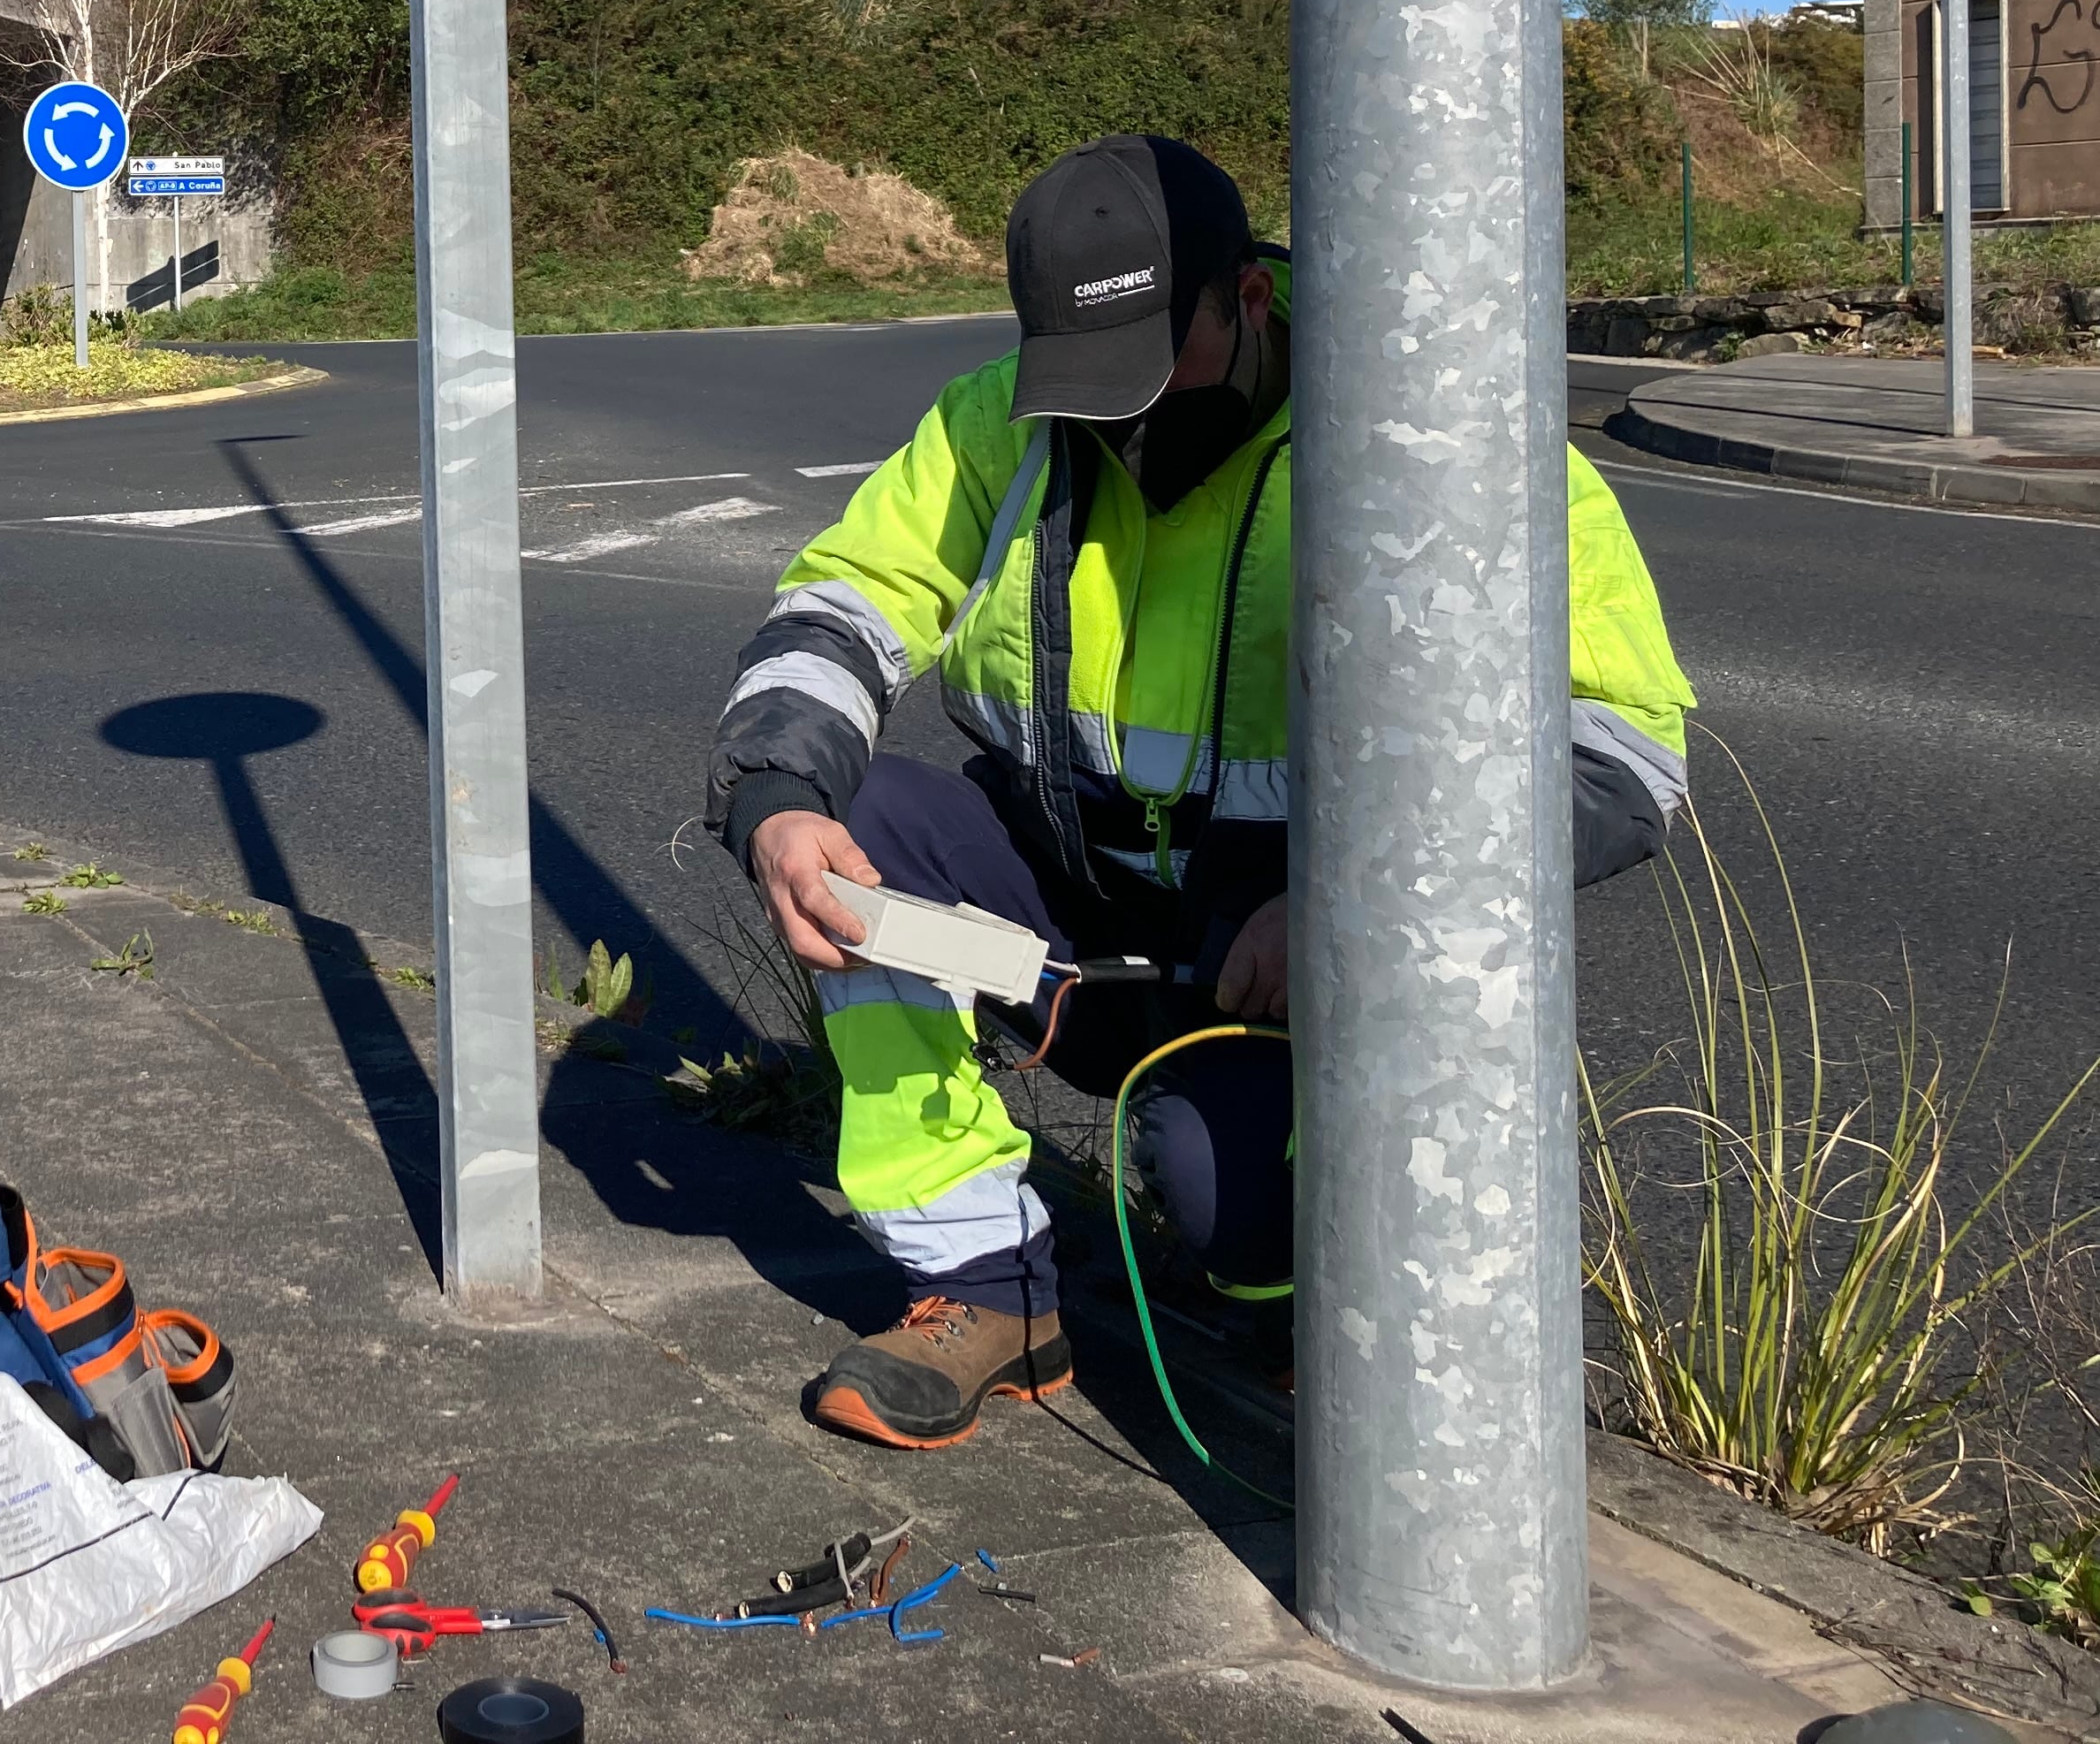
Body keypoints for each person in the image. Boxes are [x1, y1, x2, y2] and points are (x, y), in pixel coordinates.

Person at [702, 134, 1695, 1454]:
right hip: (1063, 925)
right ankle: (985, 1286)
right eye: (1090, 383)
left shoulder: (1426, 443)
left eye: (1160, 366)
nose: (1125, 417)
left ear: (1251, 298)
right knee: (857, 839)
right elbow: (846, 606)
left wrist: (1350, 897)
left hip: (1286, 953)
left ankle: (1331, 1321)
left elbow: (1621, 757)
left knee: (1220, 1191)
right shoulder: (999, 420)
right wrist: (779, 798)